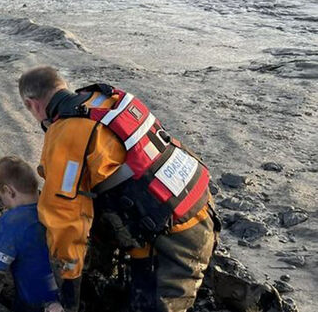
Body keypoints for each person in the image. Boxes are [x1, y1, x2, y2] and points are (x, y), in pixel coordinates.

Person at [17, 66, 217, 312]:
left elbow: (64, 218)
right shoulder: (108, 98)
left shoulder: (65, 133)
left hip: (171, 241)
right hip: (200, 206)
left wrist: (69, 288)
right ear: (62, 85)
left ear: (31, 105)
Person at [0, 156, 62, 312]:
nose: (2, 202)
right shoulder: (52, 209)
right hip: (61, 297)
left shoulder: (12, 222)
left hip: (30, 303)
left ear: (9, 191)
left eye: (0, 195)